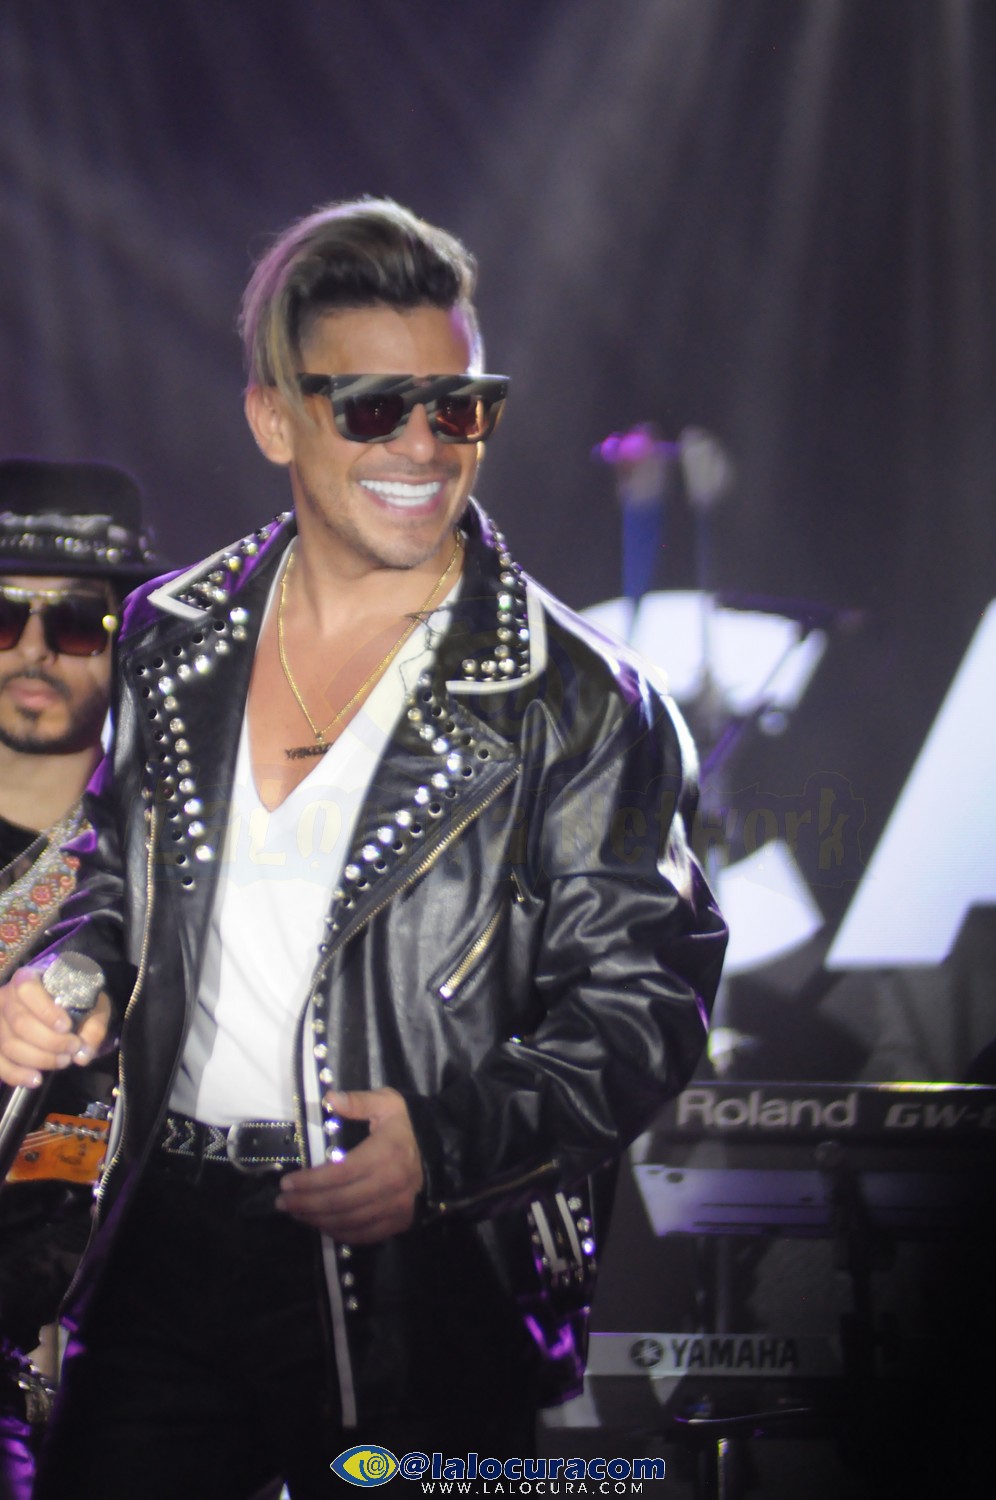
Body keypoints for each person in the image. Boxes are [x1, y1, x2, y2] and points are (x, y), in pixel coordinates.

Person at [0, 198, 727, 1499]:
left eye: (460, 407)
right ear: (275, 419)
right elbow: (112, 866)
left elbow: (646, 1000)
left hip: (419, 1273)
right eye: (375, 408)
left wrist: (448, 1147)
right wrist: (71, 972)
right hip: (161, 1232)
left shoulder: (578, 698)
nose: (424, 446)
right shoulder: (171, 633)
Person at [0, 458, 159, 1497]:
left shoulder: (181, 870)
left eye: (73, 622)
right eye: (2, 615)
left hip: (126, 1370)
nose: (31, 650)